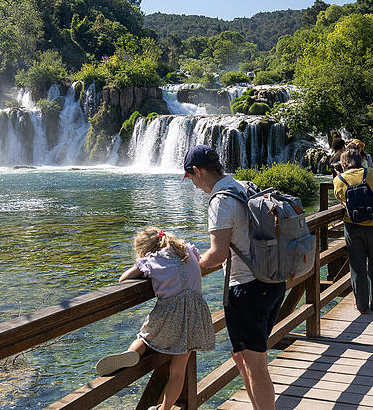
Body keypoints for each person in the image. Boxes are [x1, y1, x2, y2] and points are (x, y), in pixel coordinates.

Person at [184, 145, 284, 410]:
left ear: (198, 171)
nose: (193, 185)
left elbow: (217, 255)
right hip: (272, 282)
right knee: (243, 357)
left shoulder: (220, 201)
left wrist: (190, 266)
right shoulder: (243, 186)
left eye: (191, 178)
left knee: (256, 365)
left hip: (247, 290)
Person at [96, 228, 214, 410]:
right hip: (196, 316)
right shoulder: (188, 250)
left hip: (169, 314)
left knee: (145, 338)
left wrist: (143, 265)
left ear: (146, 250)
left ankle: (132, 352)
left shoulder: (153, 260)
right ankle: (164, 408)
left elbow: (123, 279)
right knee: (178, 371)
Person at [333, 148, 373, 313]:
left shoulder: (339, 179)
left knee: (357, 266)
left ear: (343, 164)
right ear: (359, 160)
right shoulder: (369, 172)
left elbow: (341, 200)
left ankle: (362, 305)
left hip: (353, 226)